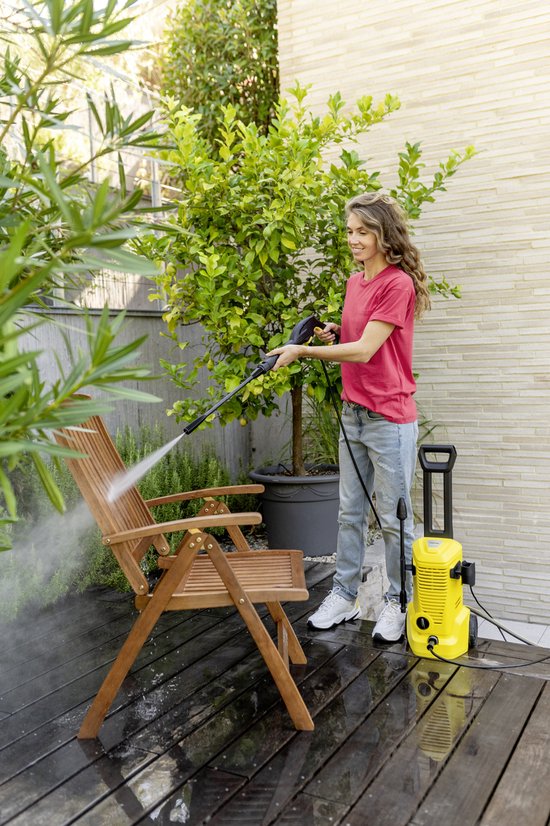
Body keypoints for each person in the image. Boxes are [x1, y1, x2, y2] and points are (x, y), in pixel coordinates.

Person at [267, 191, 431, 642]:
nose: (353, 240)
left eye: (362, 232)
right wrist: (333, 332)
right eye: (350, 231)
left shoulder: (398, 284)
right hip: (354, 412)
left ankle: (398, 602)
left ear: (384, 234)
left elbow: (364, 350)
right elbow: (356, 335)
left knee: (395, 518)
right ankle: (345, 594)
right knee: (349, 513)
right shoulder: (356, 281)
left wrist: (302, 348)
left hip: (390, 418)